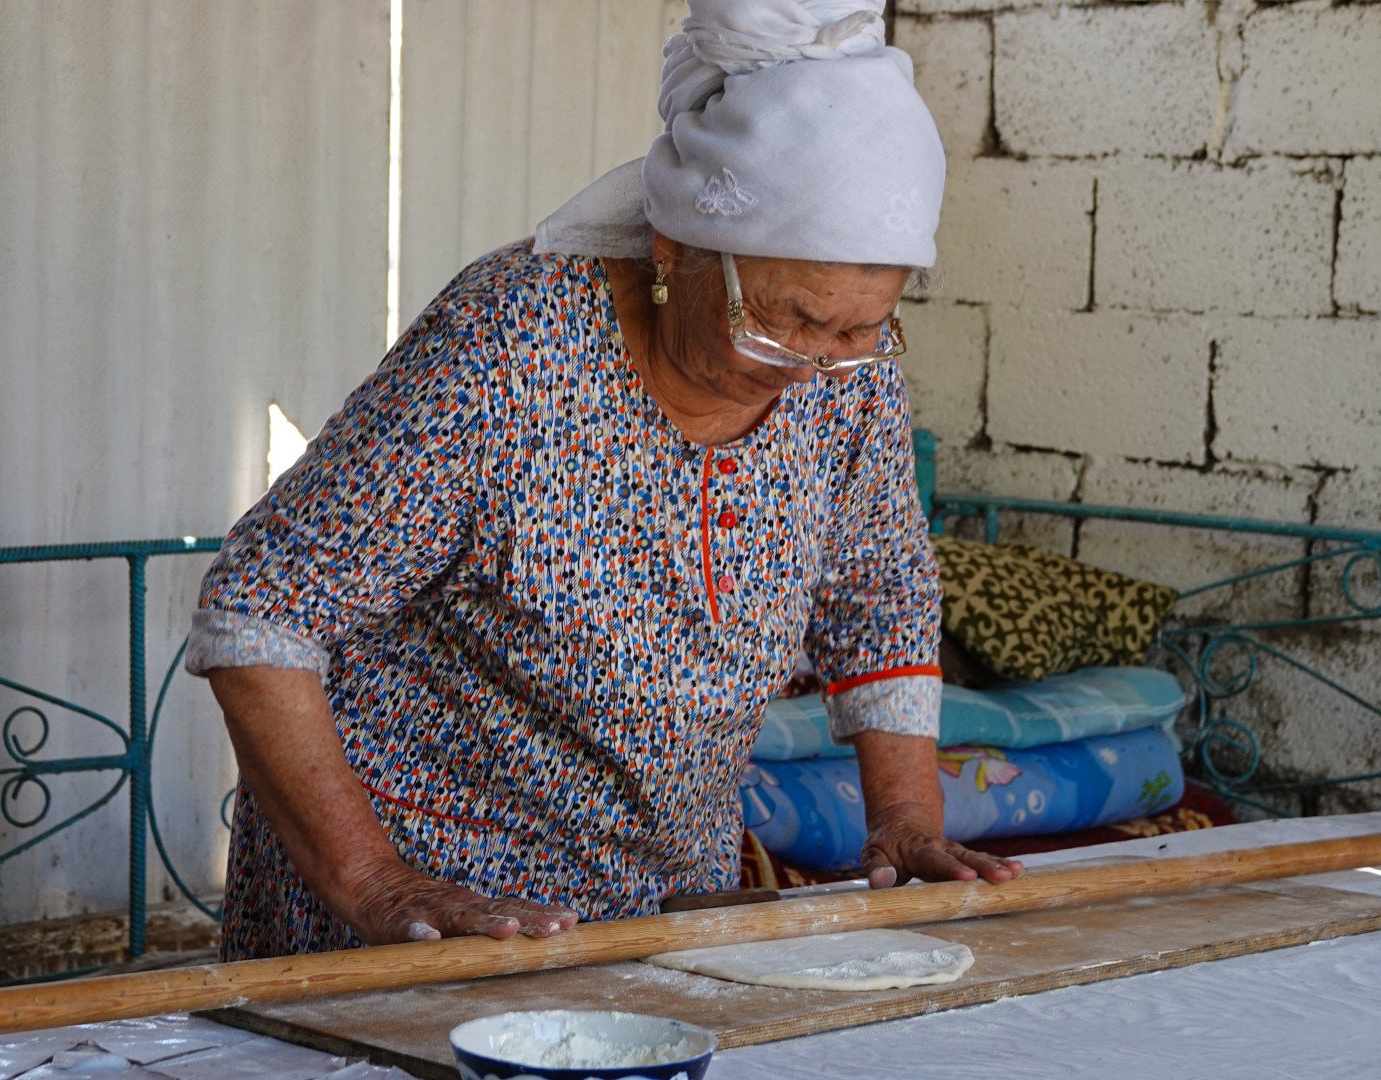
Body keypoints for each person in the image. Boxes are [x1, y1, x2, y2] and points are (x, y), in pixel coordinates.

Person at [186, 0, 1023, 960]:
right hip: (426, 905)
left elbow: (880, 597)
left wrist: (907, 819)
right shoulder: (509, 344)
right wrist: (373, 883)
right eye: (782, 319)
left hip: (658, 905)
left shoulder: (845, 379)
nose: (811, 362)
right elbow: (259, 610)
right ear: (673, 250)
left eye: (859, 328)